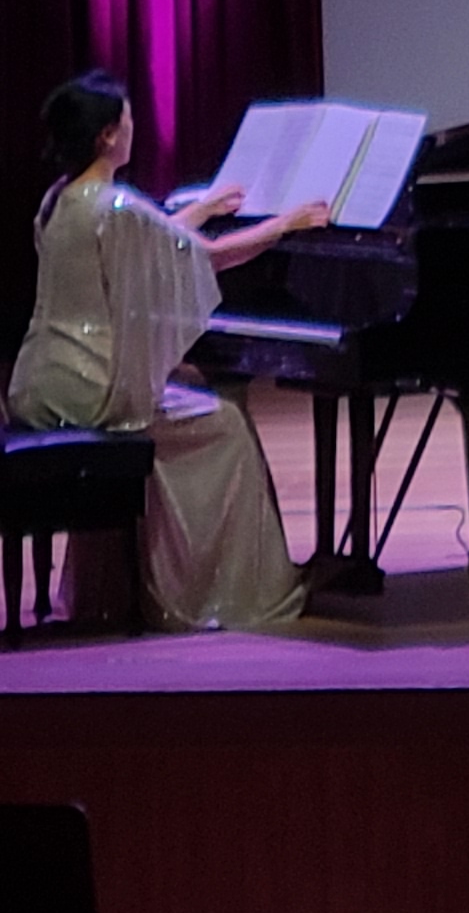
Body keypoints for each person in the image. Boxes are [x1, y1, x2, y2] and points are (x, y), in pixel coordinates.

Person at [11, 72, 324, 632]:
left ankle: (120, 585)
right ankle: (214, 591)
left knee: (186, 400)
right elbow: (207, 256)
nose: (134, 127)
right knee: (226, 424)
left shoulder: (58, 200)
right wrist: (285, 224)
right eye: (128, 119)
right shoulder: (118, 205)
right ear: (108, 136)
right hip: (93, 389)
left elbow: (147, 241)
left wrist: (204, 206)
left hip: (40, 382)